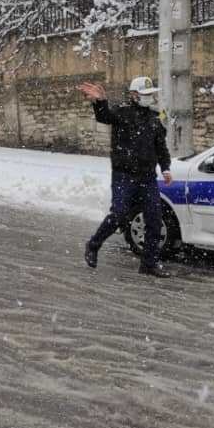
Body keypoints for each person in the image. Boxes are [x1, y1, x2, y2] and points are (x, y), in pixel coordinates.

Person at [77, 76, 173, 277]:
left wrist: (165, 168)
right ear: (134, 95)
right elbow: (104, 117)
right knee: (119, 214)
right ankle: (93, 245)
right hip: (124, 175)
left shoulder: (155, 118)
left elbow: (161, 147)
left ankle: (149, 263)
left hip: (147, 177)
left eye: (151, 94)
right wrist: (100, 102)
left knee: (154, 219)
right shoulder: (122, 112)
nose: (150, 98)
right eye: (146, 94)